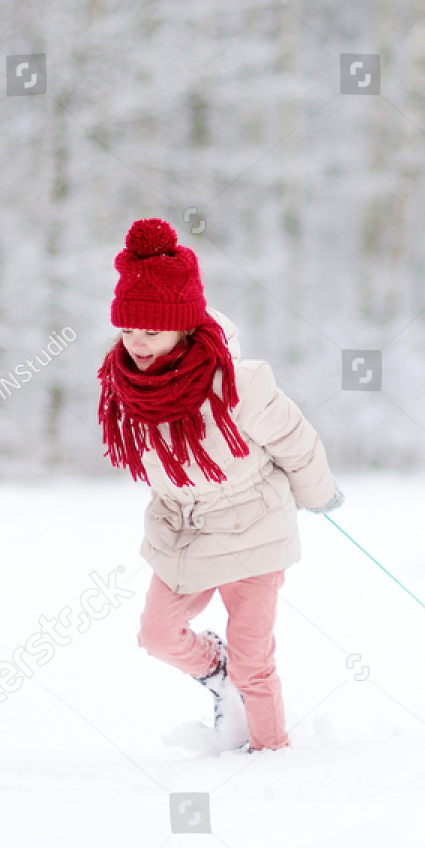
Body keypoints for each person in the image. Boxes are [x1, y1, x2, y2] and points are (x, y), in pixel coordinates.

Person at [97, 218, 342, 752]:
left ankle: (271, 755)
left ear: (183, 327)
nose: (136, 343)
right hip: (185, 534)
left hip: (255, 531)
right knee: (157, 636)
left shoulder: (238, 384)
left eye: (151, 331)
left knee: (255, 660)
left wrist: (318, 492)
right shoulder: (127, 387)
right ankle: (215, 669)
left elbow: (296, 440)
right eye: (128, 329)